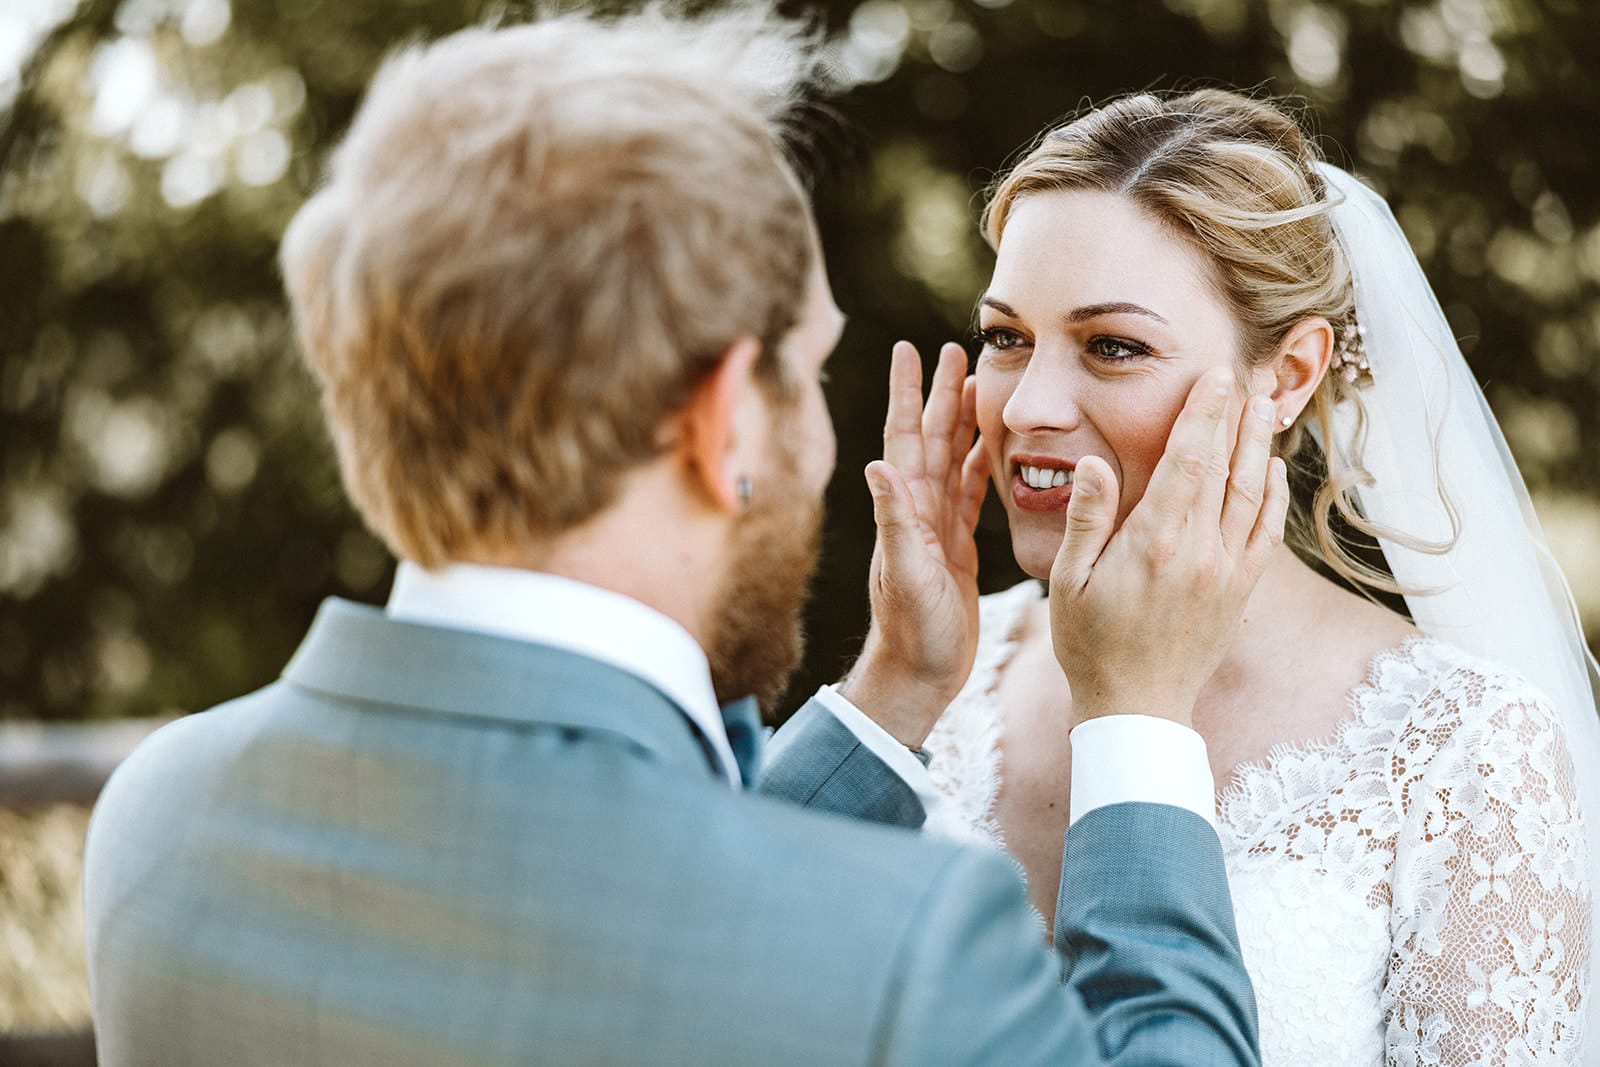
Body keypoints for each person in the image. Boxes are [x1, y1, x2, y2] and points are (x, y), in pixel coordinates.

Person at [80, 11, 1280, 1065]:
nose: (822, 435)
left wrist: (898, 687)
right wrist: (1133, 716)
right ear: (717, 420)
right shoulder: (910, 947)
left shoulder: (159, 817)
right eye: (806, 372)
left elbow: (660, 904)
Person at [881, 89, 1600, 1064]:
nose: (1026, 407)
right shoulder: (937, 672)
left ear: (1288, 374)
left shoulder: (1458, 745)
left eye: (1113, 346)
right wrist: (892, 684)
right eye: (1008, 337)